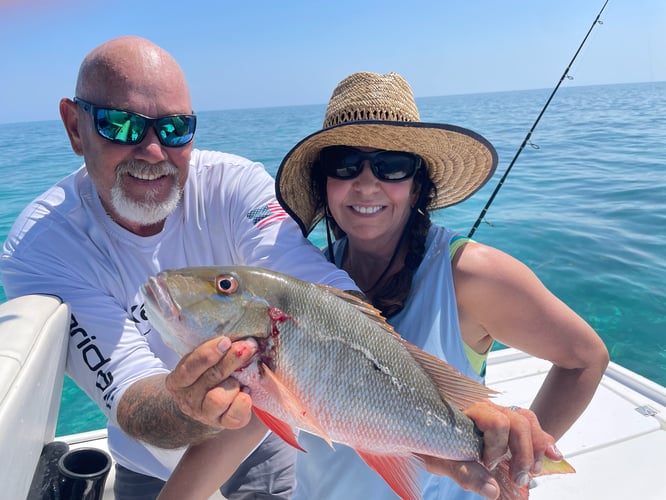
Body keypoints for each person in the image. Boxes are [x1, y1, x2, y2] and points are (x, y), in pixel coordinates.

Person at [0, 36, 361, 499]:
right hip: (147, 461)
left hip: (259, 439)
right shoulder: (42, 247)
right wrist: (188, 404)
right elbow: (130, 389)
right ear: (74, 127)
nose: (152, 151)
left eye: (174, 129)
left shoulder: (236, 186)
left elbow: (307, 281)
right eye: (121, 125)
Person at [271, 71, 610, 499]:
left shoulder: (468, 274)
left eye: (392, 165)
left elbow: (586, 358)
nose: (367, 182)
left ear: (417, 186)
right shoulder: (307, 277)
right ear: (324, 183)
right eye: (344, 163)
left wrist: (515, 463)